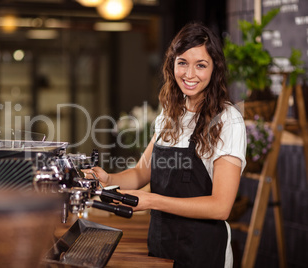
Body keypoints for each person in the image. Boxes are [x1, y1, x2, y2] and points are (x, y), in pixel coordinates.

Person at [83, 22, 246, 268]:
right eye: (182, 63)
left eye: (201, 65)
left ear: (215, 69)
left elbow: (221, 207)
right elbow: (140, 173)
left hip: (203, 252)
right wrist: (106, 178)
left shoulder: (226, 120)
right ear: (172, 64)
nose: (189, 74)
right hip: (161, 248)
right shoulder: (170, 114)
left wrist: (152, 201)